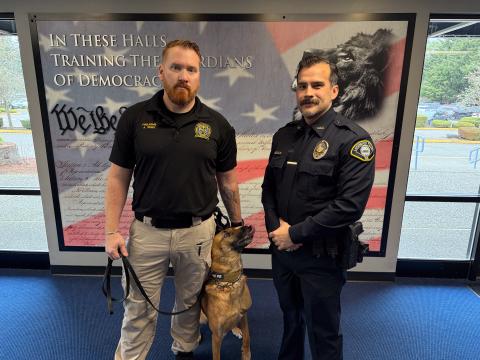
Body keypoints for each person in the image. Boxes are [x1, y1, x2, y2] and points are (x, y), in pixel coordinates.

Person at [105, 39, 243, 360]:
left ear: (199, 76)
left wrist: (236, 224)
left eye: (191, 69)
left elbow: (229, 181)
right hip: (147, 232)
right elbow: (117, 176)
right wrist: (111, 230)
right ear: (161, 72)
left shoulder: (218, 125)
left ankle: (184, 349)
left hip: (197, 232)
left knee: (190, 302)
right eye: (176, 67)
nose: (184, 75)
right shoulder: (135, 119)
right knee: (138, 307)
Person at [261, 54, 375, 360]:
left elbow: (349, 206)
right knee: (290, 322)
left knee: (323, 332)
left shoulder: (353, 141)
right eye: (302, 85)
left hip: (321, 257)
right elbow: (268, 189)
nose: (308, 92)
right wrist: (275, 230)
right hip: (283, 254)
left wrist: (294, 234)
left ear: (334, 91)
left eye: (317, 85)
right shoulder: (284, 135)